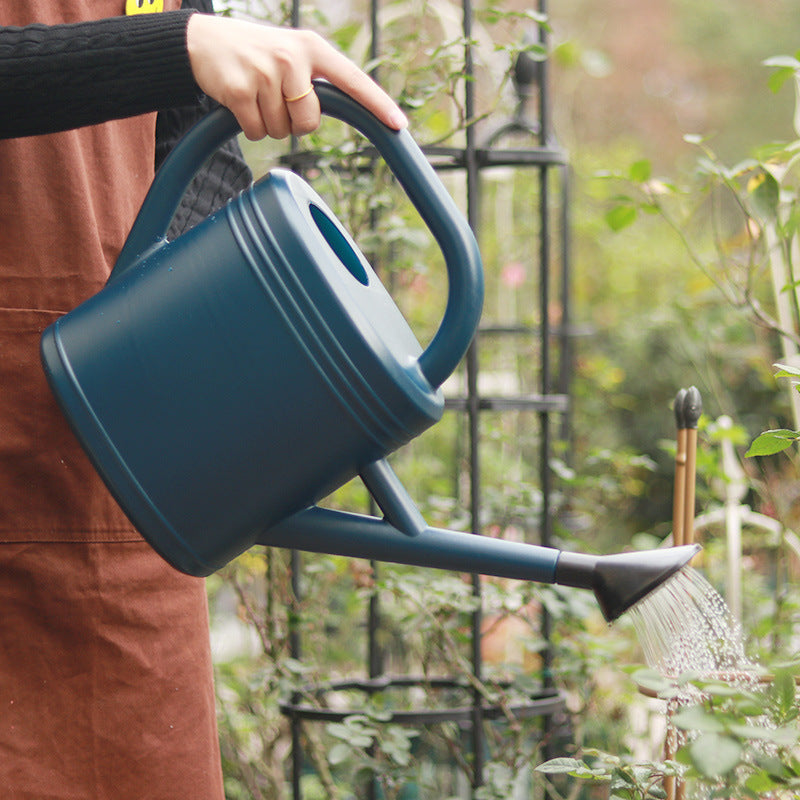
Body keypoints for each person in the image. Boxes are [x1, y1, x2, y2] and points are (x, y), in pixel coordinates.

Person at [0, 3, 406, 798]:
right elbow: (178, 57)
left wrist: (163, 326)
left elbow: (193, 141)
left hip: (103, 484)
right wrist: (176, 45)